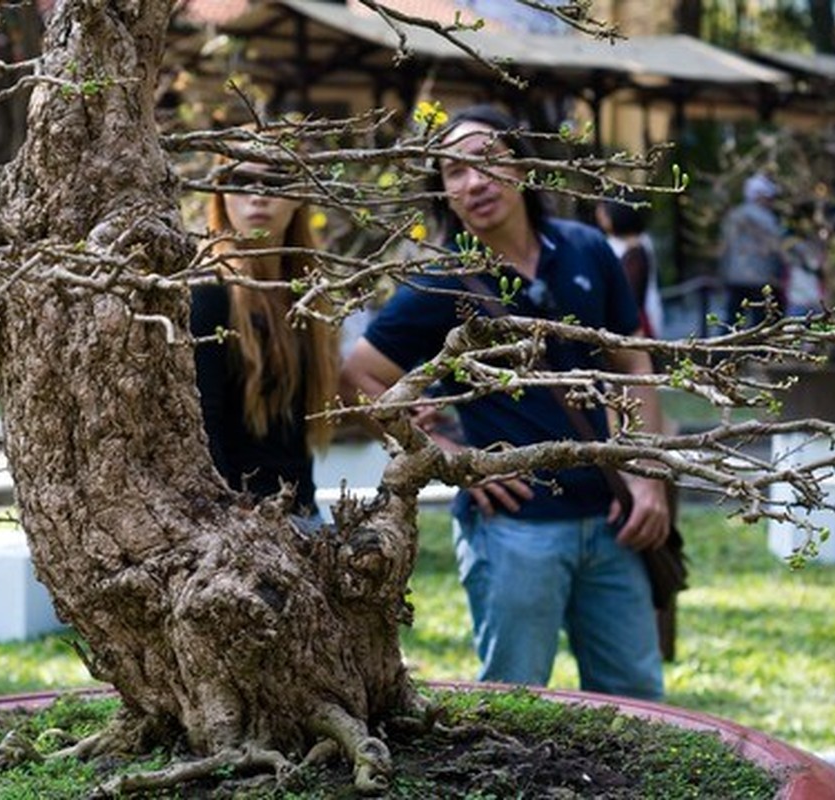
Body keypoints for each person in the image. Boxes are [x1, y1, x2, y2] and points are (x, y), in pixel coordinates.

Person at [341, 105, 669, 700]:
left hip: (614, 518)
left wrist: (647, 476)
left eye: (488, 161)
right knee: (514, 700)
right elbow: (361, 375)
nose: (474, 182)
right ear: (443, 192)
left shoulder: (587, 248)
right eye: (453, 172)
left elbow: (633, 360)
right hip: (515, 530)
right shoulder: (441, 282)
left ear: (523, 165)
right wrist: (446, 458)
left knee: (638, 701)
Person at [191, 161, 339, 522]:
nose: (258, 194)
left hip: (305, 512)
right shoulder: (208, 292)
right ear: (221, 193)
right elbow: (203, 425)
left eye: (275, 180)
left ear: (298, 198)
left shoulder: (307, 294)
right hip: (242, 524)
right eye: (241, 181)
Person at [718, 173, 785, 328]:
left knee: (731, 322)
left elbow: (724, 248)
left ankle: (725, 351)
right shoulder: (768, 219)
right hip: (762, 280)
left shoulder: (734, 215)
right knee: (761, 325)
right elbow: (777, 249)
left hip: (735, 278)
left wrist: (723, 274)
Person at [594, 197, 664, 338]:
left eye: (604, 215)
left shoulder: (635, 248)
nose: (600, 220)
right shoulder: (616, 242)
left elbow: (632, 293)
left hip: (635, 321)